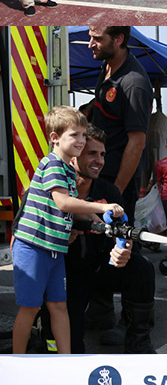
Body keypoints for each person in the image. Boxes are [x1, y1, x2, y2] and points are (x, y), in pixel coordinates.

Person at [11, 107, 120, 356]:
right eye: (75, 135)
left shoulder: (68, 169)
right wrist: (101, 206)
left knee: (59, 305)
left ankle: (66, 359)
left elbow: (75, 210)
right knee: (30, 308)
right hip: (34, 247)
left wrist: (97, 220)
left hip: (54, 250)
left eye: (83, 135)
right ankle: (16, 360)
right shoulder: (52, 164)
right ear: (55, 138)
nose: (81, 141)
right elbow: (64, 203)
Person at [66, 125, 156, 354]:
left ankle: (138, 341)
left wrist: (124, 250)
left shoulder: (110, 193)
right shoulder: (54, 189)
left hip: (100, 269)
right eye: (91, 153)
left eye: (103, 154)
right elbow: (21, 235)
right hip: (66, 276)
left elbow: (125, 231)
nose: (99, 161)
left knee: (141, 268)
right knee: (71, 345)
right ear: (74, 153)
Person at [89, 25, 154, 224]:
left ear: (118, 39)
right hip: (100, 173)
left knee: (119, 247)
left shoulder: (134, 83)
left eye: (97, 39)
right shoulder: (107, 65)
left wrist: (115, 193)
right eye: (90, 37)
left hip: (116, 179)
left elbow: (137, 143)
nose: (91, 44)